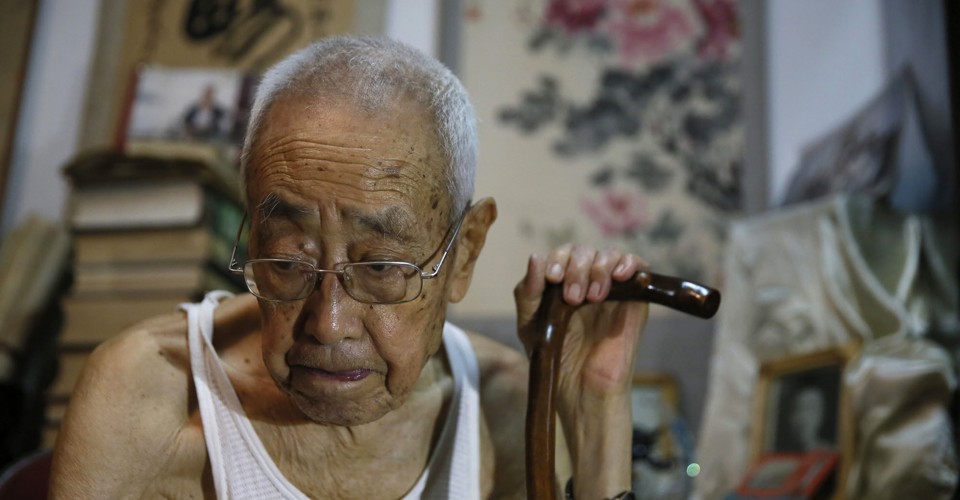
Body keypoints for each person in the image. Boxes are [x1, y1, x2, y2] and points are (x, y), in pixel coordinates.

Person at [50, 35, 650, 499]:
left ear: (465, 250)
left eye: (381, 267)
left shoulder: (507, 411)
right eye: (288, 262)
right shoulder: (148, 397)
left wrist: (597, 412)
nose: (328, 324)